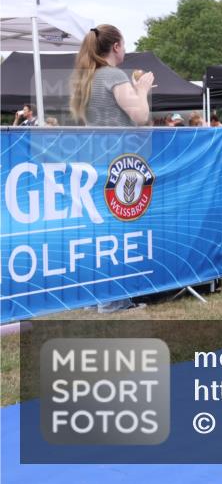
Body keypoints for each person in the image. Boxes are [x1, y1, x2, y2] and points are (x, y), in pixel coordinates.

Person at [70, 24, 155, 312]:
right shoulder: (113, 75)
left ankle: (96, 299)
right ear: (116, 46)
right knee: (117, 235)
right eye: (125, 43)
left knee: (99, 234)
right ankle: (113, 301)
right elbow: (140, 115)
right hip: (117, 164)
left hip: (96, 163)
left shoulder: (88, 78)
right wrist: (142, 89)